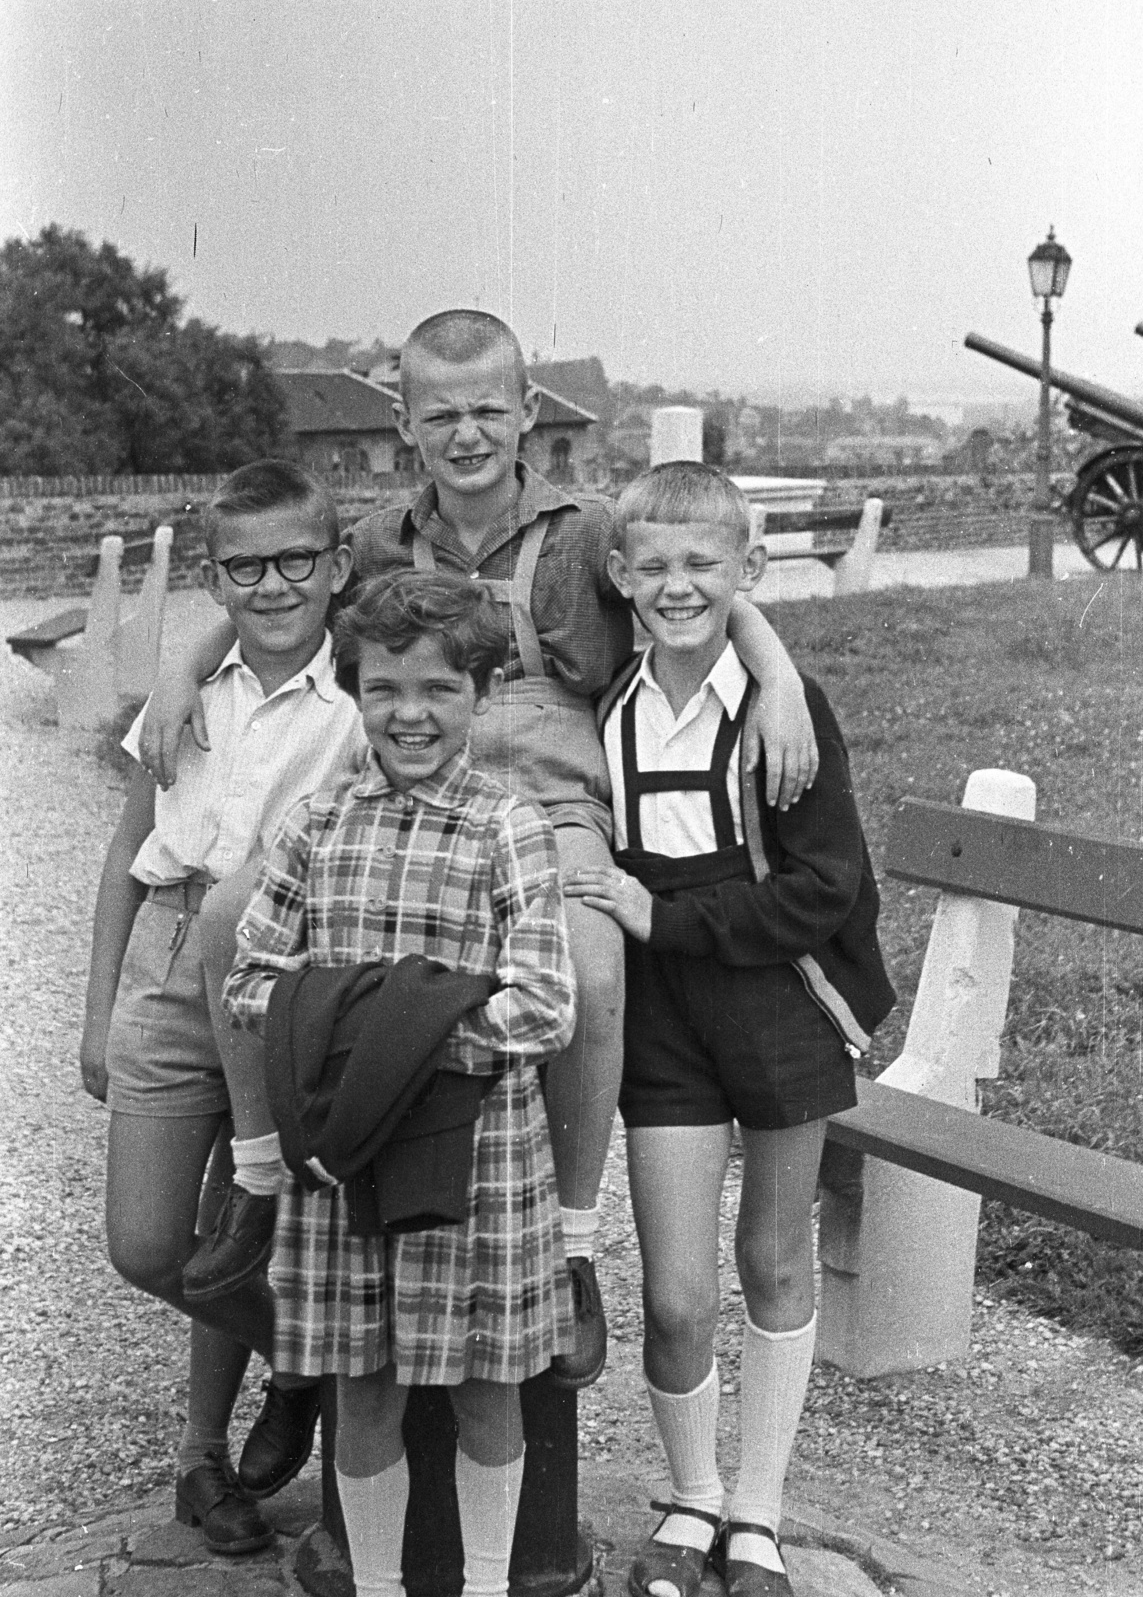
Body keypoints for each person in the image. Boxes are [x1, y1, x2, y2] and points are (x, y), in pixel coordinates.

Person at [138, 307, 818, 1388]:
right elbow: (282, 593)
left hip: (549, 804)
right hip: (395, 790)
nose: (466, 435)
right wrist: (186, 662)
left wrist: (776, 678)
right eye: (441, 414)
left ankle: (574, 1249)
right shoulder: (373, 541)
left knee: (592, 972)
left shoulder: (591, 529)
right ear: (405, 422)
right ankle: (265, 1181)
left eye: (487, 411)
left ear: (527, 414)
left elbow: (701, 581)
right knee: (231, 922)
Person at [564, 462, 895, 1597]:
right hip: (662, 1024)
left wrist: (669, 915)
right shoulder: (606, 704)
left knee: (771, 1254)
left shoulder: (779, 712)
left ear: (745, 571)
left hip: (778, 1007)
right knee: (673, 1294)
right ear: (619, 573)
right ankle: (693, 1492)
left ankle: (757, 1509)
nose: (677, 584)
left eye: (705, 565)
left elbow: (828, 887)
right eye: (652, 564)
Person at [223, 569, 578, 1597]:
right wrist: (391, 1026)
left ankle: (485, 1583)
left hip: (477, 1162)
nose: (410, 714)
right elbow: (251, 978)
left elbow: (547, 1003)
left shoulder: (505, 826)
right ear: (354, 689)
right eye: (385, 689)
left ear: (480, 694)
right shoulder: (316, 823)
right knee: (364, 1384)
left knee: (484, 1386)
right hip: (346, 1159)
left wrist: (383, 1033)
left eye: (438, 690)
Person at [80, 459, 364, 1553]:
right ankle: (308, 1362)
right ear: (216, 579)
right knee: (151, 1244)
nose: (276, 584)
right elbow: (123, 852)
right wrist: (98, 1009)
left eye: (298, 559)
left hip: (283, 980)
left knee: (245, 1223)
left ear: (336, 565)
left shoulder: (359, 694)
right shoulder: (186, 697)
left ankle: (204, 1459)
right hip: (168, 958)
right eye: (245, 567)